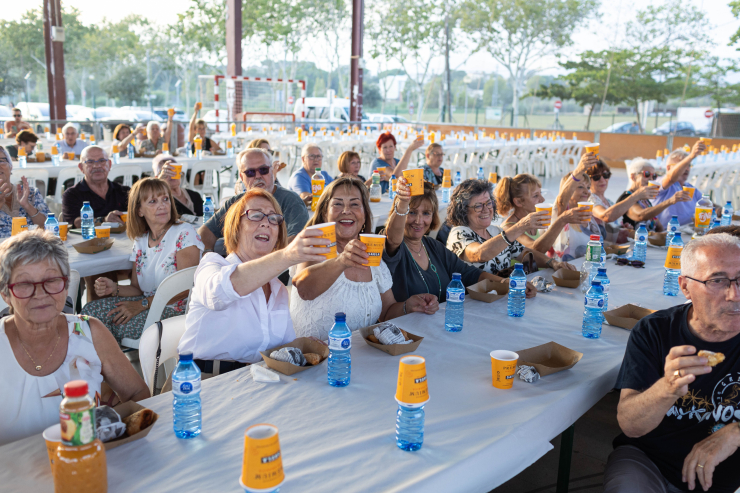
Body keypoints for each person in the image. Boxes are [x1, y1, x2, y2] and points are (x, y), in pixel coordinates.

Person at [603, 233, 740, 493]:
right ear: (685, 286)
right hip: (651, 462)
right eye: (718, 280)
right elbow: (631, 426)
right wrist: (667, 387)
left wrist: (735, 432)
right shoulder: (655, 331)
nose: (734, 294)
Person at [0, 230, 149, 446]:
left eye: (51, 280)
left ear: (66, 283)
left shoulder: (90, 331)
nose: (40, 293)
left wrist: (116, 445)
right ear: (6, 294)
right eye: (24, 284)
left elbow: (138, 393)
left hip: (87, 466)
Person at [179, 188, 331, 374]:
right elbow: (219, 292)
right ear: (236, 227)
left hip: (261, 381)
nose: (266, 223)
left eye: (273, 218)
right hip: (203, 383)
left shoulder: (278, 289)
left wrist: (305, 347)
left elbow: (280, 348)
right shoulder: (212, 264)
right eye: (256, 215)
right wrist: (288, 255)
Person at [291, 177, 438, 340]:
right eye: (338, 204)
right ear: (325, 213)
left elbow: (387, 311)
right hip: (313, 361)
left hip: (361, 357)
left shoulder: (372, 257)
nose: (346, 210)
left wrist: (408, 306)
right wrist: (341, 262)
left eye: (354, 204)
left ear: (365, 215)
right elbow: (304, 289)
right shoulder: (313, 245)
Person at [81, 178, 203, 343]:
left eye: (165, 199)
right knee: (90, 313)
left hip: (176, 311)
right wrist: (115, 288)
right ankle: (101, 366)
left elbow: (185, 287)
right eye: (153, 201)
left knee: (117, 325)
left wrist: (141, 304)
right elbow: (137, 289)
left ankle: (110, 365)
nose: (162, 205)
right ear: (139, 210)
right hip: (147, 304)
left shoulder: (184, 233)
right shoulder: (141, 239)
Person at [384, 177, 536, 303]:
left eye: (426, 213)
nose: (419, 220)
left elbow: (470, 274)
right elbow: (392, 238)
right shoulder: (393, 247)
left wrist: (506, 283)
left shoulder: (433, 246)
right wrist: (403, 203)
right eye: (411, 212)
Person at [447, 179, 574, 275]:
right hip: (471, 301)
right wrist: (520, 226)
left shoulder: (495, 231)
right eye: (478, 206)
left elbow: (525, 252)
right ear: (463, 210)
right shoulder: (458, 233)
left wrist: (552, 263)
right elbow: (479, 254)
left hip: (502, 296)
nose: (486, 210)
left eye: (488, 203)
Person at [198, 148, 308, 254]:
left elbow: (297, 240)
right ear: (241, 177)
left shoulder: (291, 201)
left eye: (263, 170)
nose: (258, 176)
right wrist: (208, 253)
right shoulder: (236, 202)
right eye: (250, 172)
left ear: (272, 171)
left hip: (278, 268)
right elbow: (206, 231)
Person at [497, 172, 590, 254]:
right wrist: (561, 220)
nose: (542, 199)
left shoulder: (535, 220)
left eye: (541, 193)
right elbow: (535, 249)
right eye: (535, 196)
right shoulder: (508, 227)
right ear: (518, 202)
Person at [62, 145, 129, 228]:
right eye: (90, 162)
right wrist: (103, 220)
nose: (97, 166)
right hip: (89, 239)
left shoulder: (124, 191)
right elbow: (75, 222)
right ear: (81, 167)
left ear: (110, 164)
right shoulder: (72, 194)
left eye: (102, 161)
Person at [617, 158, 691, 231]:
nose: (651, 179)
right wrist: (670, 201)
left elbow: (659, 226)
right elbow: (641, 215)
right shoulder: (627, 198)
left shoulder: (645, 200)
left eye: (654, 176)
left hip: (649, 241)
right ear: (633, 177)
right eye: (647, 174)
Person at [586, 160, 651, 243]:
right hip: (599, 250)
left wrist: (622, 228)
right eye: (596, 177)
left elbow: (610, 226)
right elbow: (606, 216)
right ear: (588, 180)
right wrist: (635, 196)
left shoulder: (608, 201)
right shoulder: (590, 199)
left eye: (606, 175)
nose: (602, 180)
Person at [0, 146, 50, 238]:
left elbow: (49, 229)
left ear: (10, 166)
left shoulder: (30, 193)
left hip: (31, 248)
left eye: (1, 161)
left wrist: (27, 206)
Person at [654, 141, 706, 226]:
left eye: (688, 165)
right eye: (682, 165)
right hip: (669, 234)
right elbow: (671, 178)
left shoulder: (689, 187)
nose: (687, 169)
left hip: (689, 231)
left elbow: (705, 203)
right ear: (668, 168)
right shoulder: (661, 183)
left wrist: (718, 209)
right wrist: (691, 156)